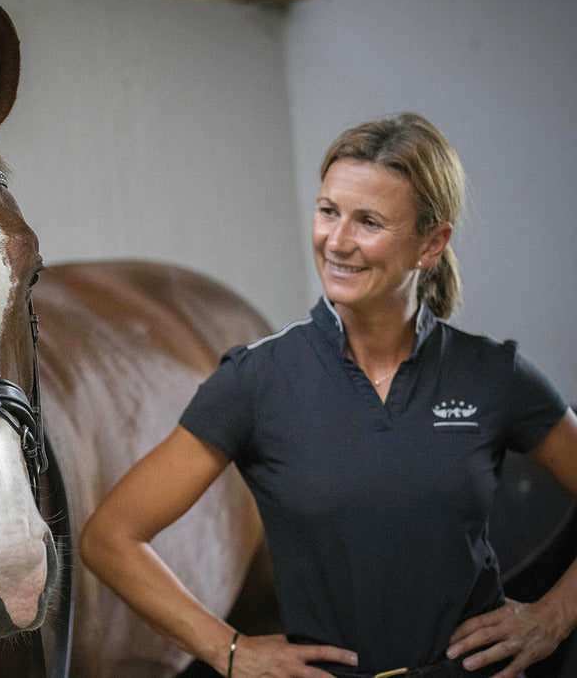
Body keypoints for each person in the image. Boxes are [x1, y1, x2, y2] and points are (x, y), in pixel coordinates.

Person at [79, 112, 577, 678]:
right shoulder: (256, 381)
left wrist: (554, 617)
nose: (337, 242)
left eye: (369, 222)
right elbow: (110, 537)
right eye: (328, 211)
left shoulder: (493, 374)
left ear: (430, 243)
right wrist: (229, 649)